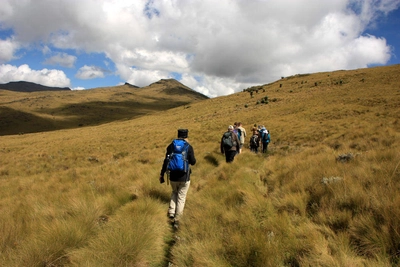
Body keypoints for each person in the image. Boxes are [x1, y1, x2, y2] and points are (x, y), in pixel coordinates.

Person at [159, 129, 196, 229]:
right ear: (186, 136)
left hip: (172, 176)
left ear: (178, 135)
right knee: (181, 197)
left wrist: (162, 174)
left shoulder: (171, 146)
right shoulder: (188, 147)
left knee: (174, 192)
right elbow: (193, 162)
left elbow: (166, 161)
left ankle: (171, 211)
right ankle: (177, 219)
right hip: (184, 177)